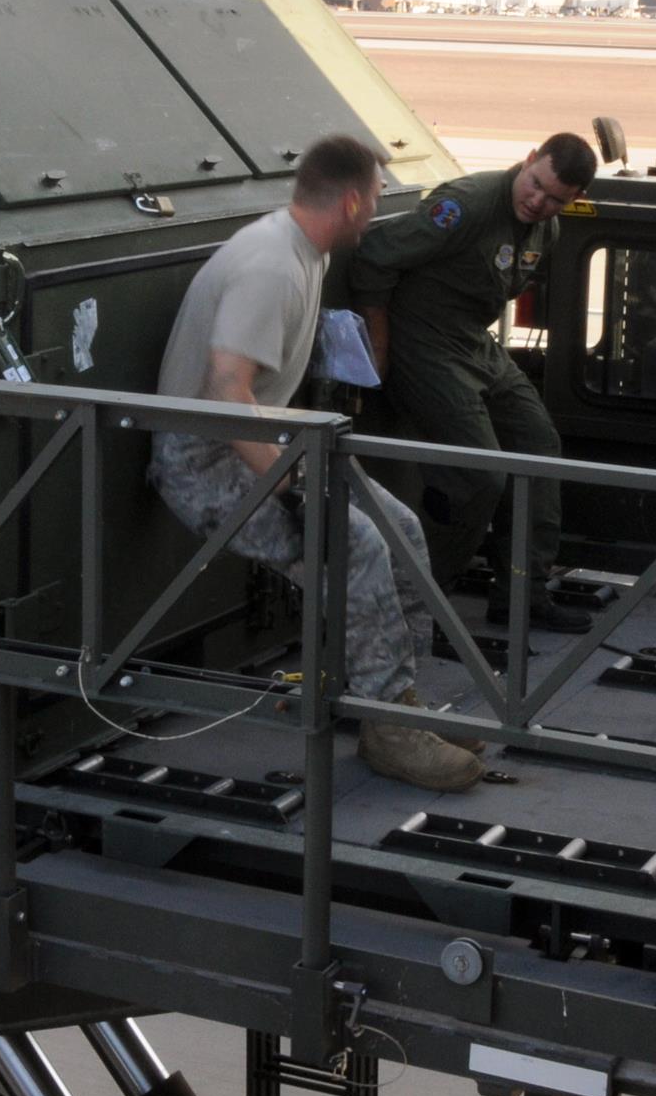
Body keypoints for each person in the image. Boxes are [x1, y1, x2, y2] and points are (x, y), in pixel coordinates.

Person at [149, 135, 478, 793]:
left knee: (401, 530)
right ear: (352, 201)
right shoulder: (272, 263)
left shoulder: (302, 251)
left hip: (257, 440)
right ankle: (389, 731)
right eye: (377, 198)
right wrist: (296, 484)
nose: (378, 210)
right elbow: (225, 389)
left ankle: (394, 701)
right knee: (352, 543)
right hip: (204, 456)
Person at [347, 132, 594, 621]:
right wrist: (378, 343)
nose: (538, 201)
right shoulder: (468, 206)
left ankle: (522, 595)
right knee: (480, 476)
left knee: (539, 447)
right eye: (536, 184)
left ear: (574, 200)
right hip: (424, 345)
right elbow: (374, 255)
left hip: (473, 345)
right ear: (527, 161)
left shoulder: (546, 230)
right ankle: (416, 602)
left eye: (555, 199)